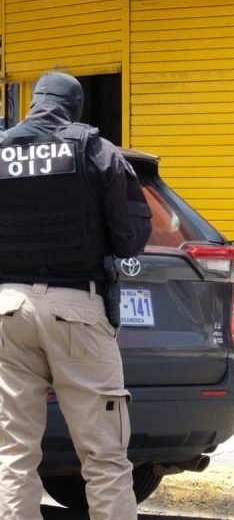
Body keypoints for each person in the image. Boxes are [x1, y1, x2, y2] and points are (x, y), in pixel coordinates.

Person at [0, 71, 153, 519]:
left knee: (12, 453)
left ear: (34, 103)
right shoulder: (95, 150)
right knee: (104, 456)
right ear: (74, 107)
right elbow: (131, 239)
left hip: (8, 309)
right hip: (77, 309)